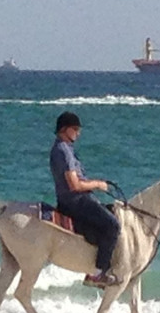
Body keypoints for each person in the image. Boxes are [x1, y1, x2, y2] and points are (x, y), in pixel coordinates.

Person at [49, 111, 121, 287]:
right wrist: (97, 184)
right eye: (75, 129)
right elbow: (74, 185)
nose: (78, 133)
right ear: (65, 129)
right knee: (113, 225)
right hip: (74, 201)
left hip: (76, 198)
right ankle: (97, 274)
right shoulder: (62, 151)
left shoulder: (66, 149)